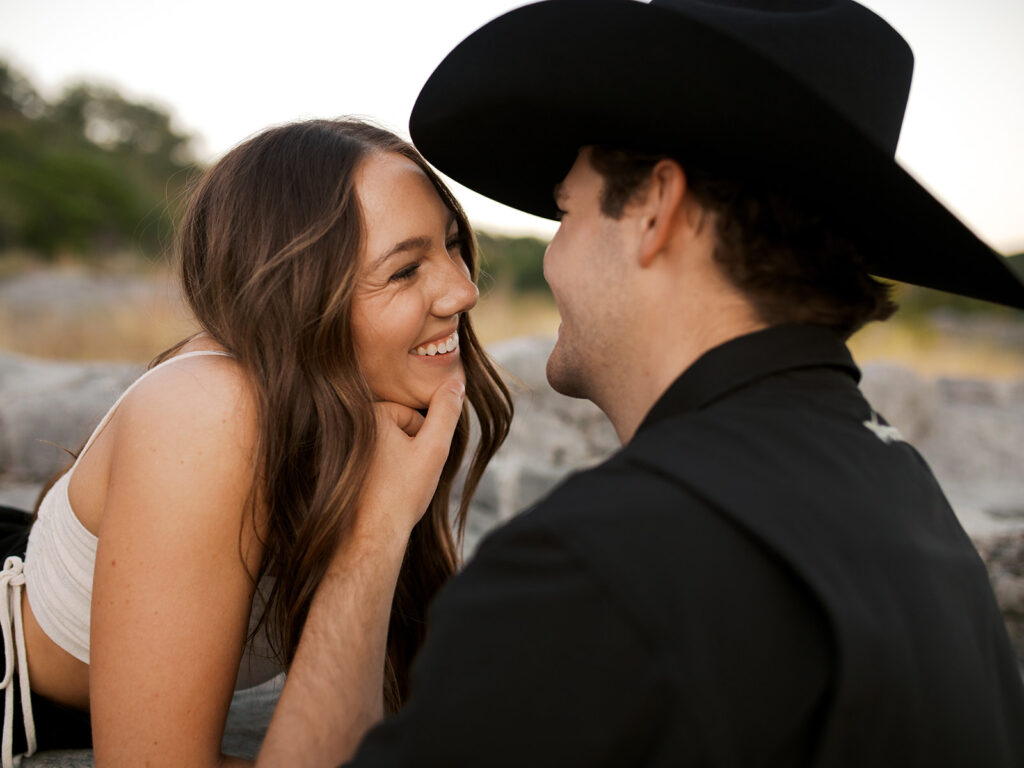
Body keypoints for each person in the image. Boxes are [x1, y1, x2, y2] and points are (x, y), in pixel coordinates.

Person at [255, 1, 1024, 766]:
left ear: (656, 207)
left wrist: (372, 536)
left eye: (565, 213)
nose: (547, 260)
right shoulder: (907, 497)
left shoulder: (598, 565)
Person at [0, 118, 512, 767]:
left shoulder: (367, 398)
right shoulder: (210, 410)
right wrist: (378, 527)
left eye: (452, 245)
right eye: (406, 269)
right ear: (300, 291)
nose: (464, 289)